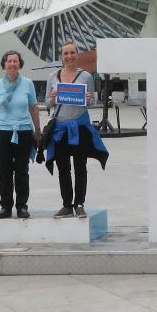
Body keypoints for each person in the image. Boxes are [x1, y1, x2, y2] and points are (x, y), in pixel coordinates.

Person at [46, 41, 104, 217]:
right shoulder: (53, 77)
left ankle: (79, 203)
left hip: (79, 127)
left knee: (80, 166)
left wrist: (88, 99)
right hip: (60, 129)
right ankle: (66, 204)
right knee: (63, 168)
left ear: (77, 54)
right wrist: (53, 99)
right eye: (66, 53)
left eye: (72, 53)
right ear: (61, 56)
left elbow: (92, 101)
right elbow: (47, 103)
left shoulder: (86, 76)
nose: (69, 56)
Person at [0, 50, 40, 219]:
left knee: (22, 170)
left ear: (20, 64)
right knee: (5, 171)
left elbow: (33, 107)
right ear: (4, 64)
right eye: (9, 61)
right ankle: (6, 207)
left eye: (15, 61)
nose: (12, 64)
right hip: (3, 132)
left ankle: (22, 206)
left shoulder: (28, 83)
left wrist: (37, 130)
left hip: (24, 131)